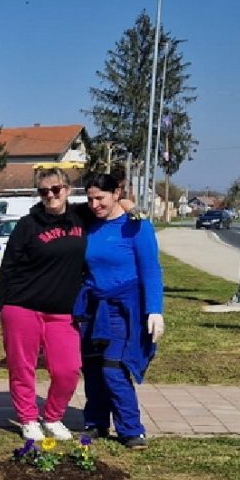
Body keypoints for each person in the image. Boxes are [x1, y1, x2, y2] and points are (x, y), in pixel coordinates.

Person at [0, 167, 95, 442]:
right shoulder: (27, 225)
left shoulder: (81, 216)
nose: (51, 195)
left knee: (68, 369)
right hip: (22, 307)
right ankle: (28, 418)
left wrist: (130, 207)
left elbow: (110, 201)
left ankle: (53, 417)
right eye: (44, 191)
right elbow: (8, 267)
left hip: (62, 312)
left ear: (68, 190)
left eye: (56, 189)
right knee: (22, 368)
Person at [73, 173, 164, 450]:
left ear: (116, 194)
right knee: (93, 367)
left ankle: (131, 429)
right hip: (93, 308)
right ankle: (96, 422)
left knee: (113, 367)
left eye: (100, 198)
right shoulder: (89, 223)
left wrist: (154, 310)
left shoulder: (137, 227)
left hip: (123, 309)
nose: (94, 205)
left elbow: (151, 270)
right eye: (90, 199)